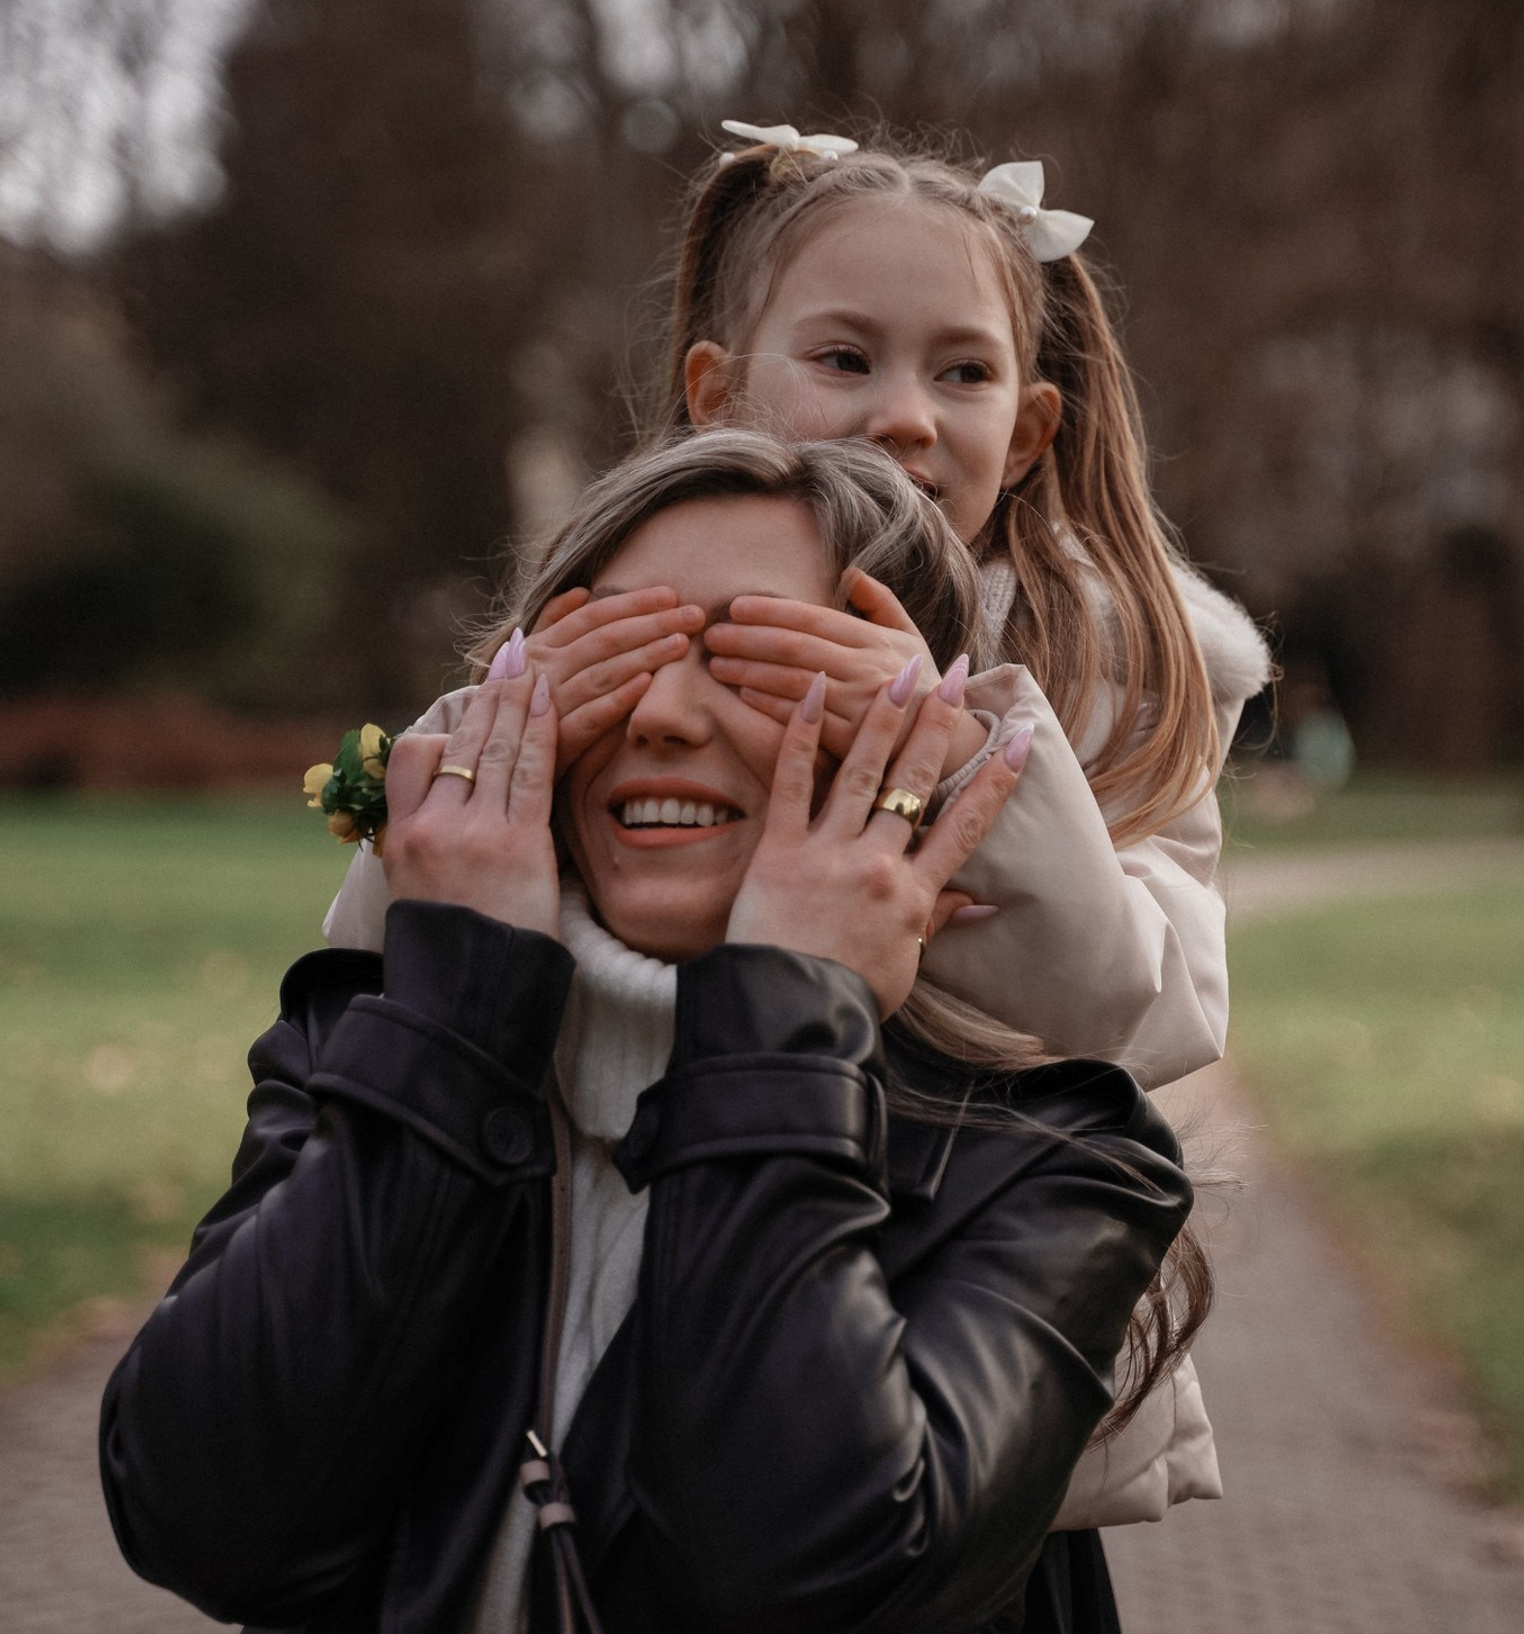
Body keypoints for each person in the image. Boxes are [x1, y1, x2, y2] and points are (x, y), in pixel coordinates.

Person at [99, 432, 1194, 1634]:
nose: (666, 716)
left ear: (911, 744)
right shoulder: (373, 1046)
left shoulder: (1053, 1158)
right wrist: (456, 1005)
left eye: (756, 662)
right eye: (617, 657)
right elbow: (206, 1516)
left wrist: (793, 1013)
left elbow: (793, 1575)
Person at [320, 120, 1257, 1538]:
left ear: (1030, 432)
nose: (906, 415)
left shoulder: (1099, 687)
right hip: (592, 1308)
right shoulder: (621, 618)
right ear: (715, 392)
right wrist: (477, 762)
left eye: (964, 372)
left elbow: (1145, 1003)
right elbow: (382, 986)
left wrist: (960, 759)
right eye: (845, 358)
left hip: (953, 1360)